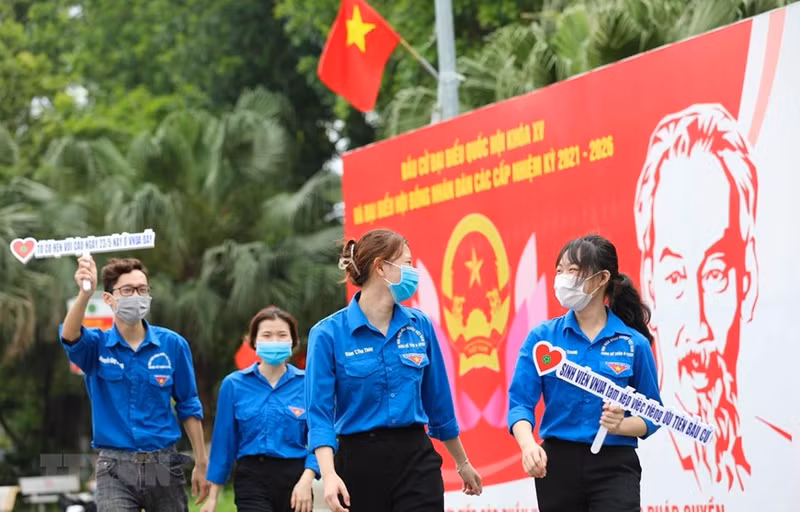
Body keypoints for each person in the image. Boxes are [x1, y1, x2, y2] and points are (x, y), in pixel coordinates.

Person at [305, 229, 483, 512]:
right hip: (359, 462)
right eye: (407, 263)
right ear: (381, 266)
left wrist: (462, 463)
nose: (413, 271)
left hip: (416, 458)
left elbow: (439, 404)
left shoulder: (419, 325)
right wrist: (328, 475)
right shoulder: (327, 334)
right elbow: (320, 415)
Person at [633, 103, 758, 491]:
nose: (698, 324)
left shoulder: (781, 452)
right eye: (675, 277)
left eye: (715, 273)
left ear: (747, 280)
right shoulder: (626, 467)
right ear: (649, 284)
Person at [507, 235, 662, 512]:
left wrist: (621, 425)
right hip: (557, 465)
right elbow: (520, 403)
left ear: (602, 278)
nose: (563, 279)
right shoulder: (543, 339)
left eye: (573, 271)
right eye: (559, 271)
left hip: (615, 465)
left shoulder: (633, 344)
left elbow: (653, 414)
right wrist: (528, 445)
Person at [60, 256, 209, 512]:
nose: (136, 296)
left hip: (163, 463)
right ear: (108, 299)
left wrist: (202, 462)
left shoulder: (172, 345)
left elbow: (189, 404)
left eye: (142, 289)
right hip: (114, 467)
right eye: (127, 290)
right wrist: (85, 292)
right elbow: (70, 336)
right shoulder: (96, 346)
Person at [202, 306, 319, 512]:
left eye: (282, 335)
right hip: (252, 477)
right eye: (267, 335)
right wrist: (213, 498)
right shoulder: (234, 385)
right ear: (253, 342)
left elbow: (318, 436)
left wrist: (307, 480)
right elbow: (223, 444)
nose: (274, 341)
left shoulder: (308, 383)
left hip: (296, 478)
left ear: (293, 342)